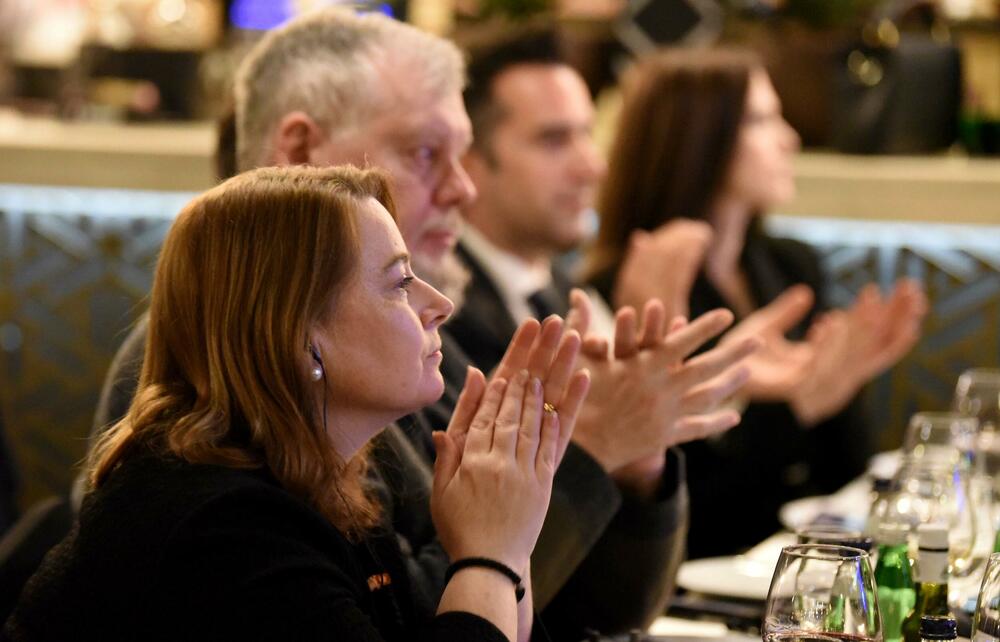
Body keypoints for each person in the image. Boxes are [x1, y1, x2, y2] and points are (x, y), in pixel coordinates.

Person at [86, 11, 755, 638]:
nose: (464, 188)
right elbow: (413, 620)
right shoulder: (215, 379)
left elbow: (577, 620)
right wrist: (584, 453)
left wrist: (630, 475)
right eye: (425, 152)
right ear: (300, 156)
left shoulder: (404, 349)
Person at [5, 165, 592, 642]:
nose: (438, 304)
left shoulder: (324, 488)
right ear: (301, 336)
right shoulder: (221, 531)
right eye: (399, 282)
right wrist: (489, 551)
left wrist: (509, 515)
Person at [586, 48, 927, 557]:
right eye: (762, 120)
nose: (789, 138)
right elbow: (688, 512)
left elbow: (845, 480)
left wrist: (844, 382)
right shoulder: (630, 289)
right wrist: (793, 408)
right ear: (699, 140)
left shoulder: (792, 266)